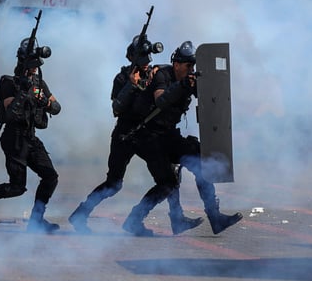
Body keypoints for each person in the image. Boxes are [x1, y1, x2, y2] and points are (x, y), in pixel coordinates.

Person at [66, 34, 201, 235]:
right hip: (124, 136)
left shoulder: (154, 75)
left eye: (148, 60)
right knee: (114, 184)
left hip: (145, 137)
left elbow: (164, 93)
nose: (146, 64)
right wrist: (131, 84)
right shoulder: (121, 78)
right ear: (132, 59)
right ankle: (80, 214)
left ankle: (136, 219)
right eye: (142, 60)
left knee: (168, 181)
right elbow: (117, 109)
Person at [118, 41, 243, 237]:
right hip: (148, 137)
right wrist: (183, 85)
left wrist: (207, 83)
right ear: (177, 64)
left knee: (200, 163)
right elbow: (161, 99)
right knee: (167, 183)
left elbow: (210, 98)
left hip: (167, 135)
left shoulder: (189, 79)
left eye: (193, 66)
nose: (191, 69)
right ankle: (135, 220)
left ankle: (214, 216)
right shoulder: (162, 75)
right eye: (188, 66)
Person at [0, 36, 62, 234]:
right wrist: (24, 92)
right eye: (31, 65)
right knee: (17, 187)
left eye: (36, 66)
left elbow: (56, 107)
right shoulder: (9, 83)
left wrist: (45, 102)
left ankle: (36, 220)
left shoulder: (40, 84)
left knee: (50, 177)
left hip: (31, 137)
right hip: (14, 139)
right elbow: (11, 111)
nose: (34, 69)